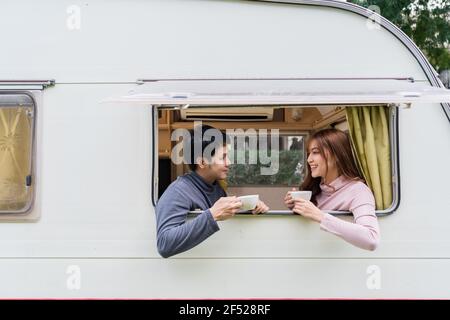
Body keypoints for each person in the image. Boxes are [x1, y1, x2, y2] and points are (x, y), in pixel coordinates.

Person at [156, 125, 269, 258]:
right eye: (223, 157)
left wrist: (249, 207)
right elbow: (164, 244)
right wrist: (212, 215)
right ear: (202, 162)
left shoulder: (217, 188)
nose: (229, 162)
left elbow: (221, 218)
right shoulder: (178, 191)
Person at [284, 128, 380, 251]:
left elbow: (371, 239)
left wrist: (319, 216)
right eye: (309, 154)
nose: (309, 160)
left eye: (315, 152)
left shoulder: (358, 191)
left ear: (337, 156)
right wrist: (296, 206)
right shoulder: (317, 188)